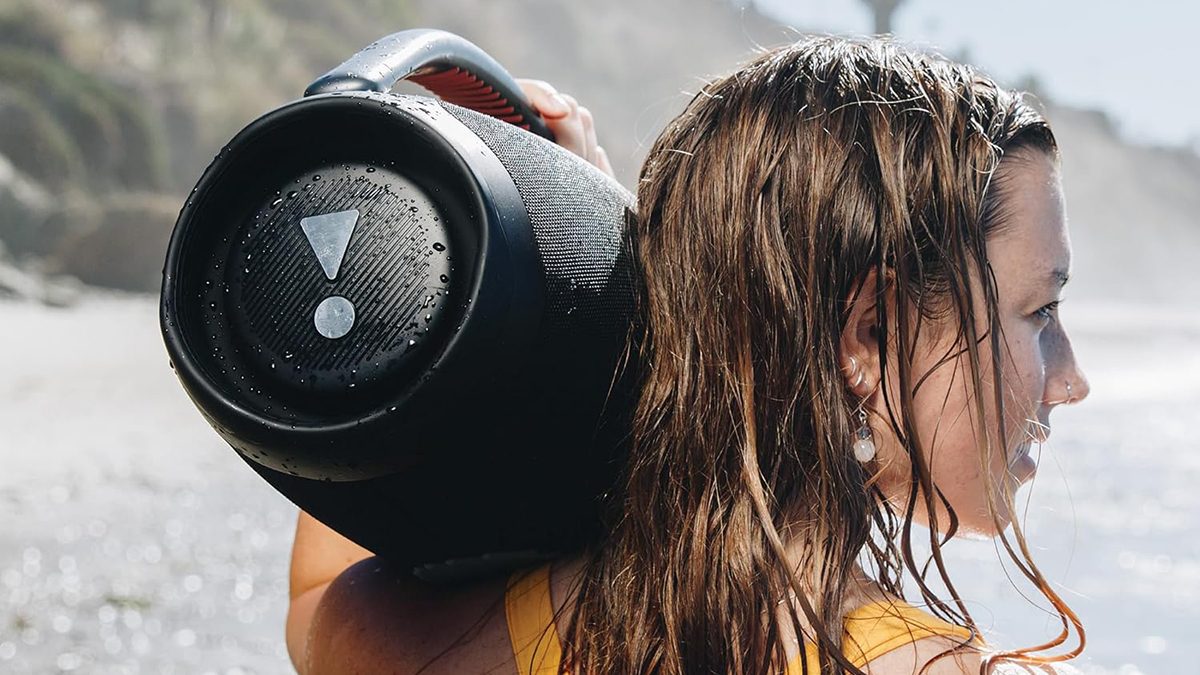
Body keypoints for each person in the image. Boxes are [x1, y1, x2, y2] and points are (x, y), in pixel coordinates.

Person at [284, 35, 1091, 674]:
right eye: (1041, 309)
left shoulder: (440, 637)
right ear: (869, 336)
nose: (1072, 378)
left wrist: (550, 299)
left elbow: (321, 600)